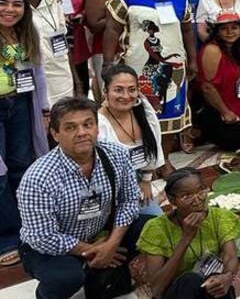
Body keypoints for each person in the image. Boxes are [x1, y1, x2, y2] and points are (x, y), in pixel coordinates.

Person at [18, 97, 146, 299]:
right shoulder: (38, 177)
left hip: (101, 232)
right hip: (50, 246)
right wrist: (95, 250)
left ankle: (107, 279)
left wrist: (111, 243)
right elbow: (41, 236)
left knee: (150, 227)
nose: (82, 133)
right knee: (66, 277)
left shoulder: (117, 154)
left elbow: (129, 201)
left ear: (97, 127)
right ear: (55, 134)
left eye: (88, 124)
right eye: (70, 127)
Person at [104, 0, 198, 154]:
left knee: (169, 113)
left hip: (173, 67)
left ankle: (163, 160)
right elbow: (112, 29)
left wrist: (193, 60)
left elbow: (187, 30)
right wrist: (108, 62)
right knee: (140, 114)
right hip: (136, 68)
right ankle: (145, 160)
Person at [0, 0, 50, 267]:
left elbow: (38, 74)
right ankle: (6, 236)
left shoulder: (26, 33)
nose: (10, 9)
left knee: (22, 166)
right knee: (0, 176)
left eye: (17, 4)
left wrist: (44, 110)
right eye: (3, 3)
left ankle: (27, 226)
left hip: (20, 105)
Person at [137, 168, 239, 299]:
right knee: (190, 280)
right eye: (187, 196)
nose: (197, 200)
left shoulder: (219, 217)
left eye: (201, 191)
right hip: (177, 293)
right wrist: (186, 238)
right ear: (172, 200)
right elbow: (157, 288)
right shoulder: (157, 228)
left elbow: (230, 256)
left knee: (217, 286)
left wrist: (227, 276)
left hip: (208, 289)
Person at [6, 0, 76, 105]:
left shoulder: (54, 0)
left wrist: (78, 84)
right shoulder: (9, 6)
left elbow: (64, 45)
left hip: (61, 81)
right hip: (27, 83)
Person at [97, 65, 164, 216]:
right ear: (105, 92)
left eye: (132, 89)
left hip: (138, 180)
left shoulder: (144, 112)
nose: (126, 96)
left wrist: (146, 181)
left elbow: (154, 147)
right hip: (108, 189)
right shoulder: (98, 123)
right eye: (118, 90)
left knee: (155, 222)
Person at [197, 12, 240, 151]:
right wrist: (225, 112)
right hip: (215, 106)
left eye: (234, 28)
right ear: (217, 31)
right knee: (238, 143)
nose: (229, 32)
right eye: (224, 29)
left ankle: (239, 120)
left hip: (237, 97)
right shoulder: (212, 50)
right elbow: (207, 87)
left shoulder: (239, 45)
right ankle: (202, 131)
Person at [84, 0, 131, 98]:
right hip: (106, 52)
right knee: (111, 94)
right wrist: (123, 17)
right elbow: (94, 24)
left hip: (129, 48)